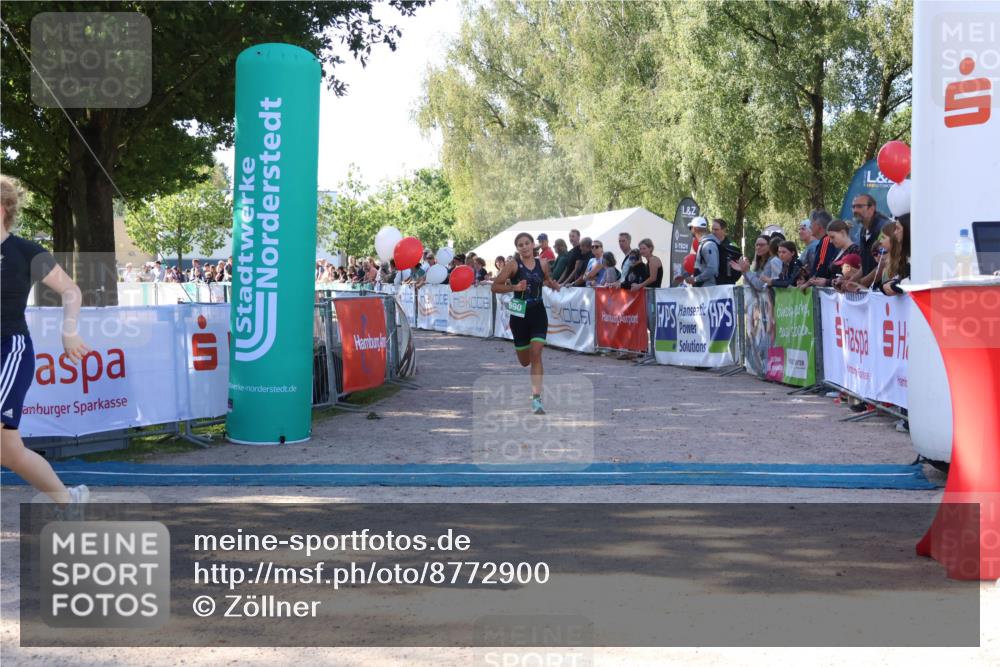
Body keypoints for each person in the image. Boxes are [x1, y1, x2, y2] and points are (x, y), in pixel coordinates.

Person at [1, 176, 91, 510]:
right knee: (9, 452)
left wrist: (69, 330)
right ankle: (69, 501)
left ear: (3, 208)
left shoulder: (26, 251)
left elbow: (71, 290)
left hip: (8, 352)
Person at [491, 232, 561, 414]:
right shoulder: (513, 265)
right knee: (525, 361)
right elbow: (495, 286)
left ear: (533, 245)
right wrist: (514, 287)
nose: (524, 247)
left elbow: (545, 279)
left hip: (538, 311)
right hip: (519, 313)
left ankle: (537, 399)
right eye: (520, 245)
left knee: (536, 353)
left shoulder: (543, 263)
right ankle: (531, 365)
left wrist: (551, 284)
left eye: (527, 243)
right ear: (517, 248)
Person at [850, 194, 892, 278]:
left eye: (859, 206)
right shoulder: (863, 230)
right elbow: (865, 266)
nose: (855, 210)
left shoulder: (884, 228)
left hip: (884, 288)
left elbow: (884, 263)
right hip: (870, 289)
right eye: (853, 207)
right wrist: (849, 282)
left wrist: (862, 283)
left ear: (871, 209)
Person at [685, 217, 718, 286]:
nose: (690, 230)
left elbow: (712, 269)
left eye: (690, 228)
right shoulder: (704, 243)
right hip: (705, 289)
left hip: (709, 290)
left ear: (695, 228)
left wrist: (695, 279)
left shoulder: (708, 245)